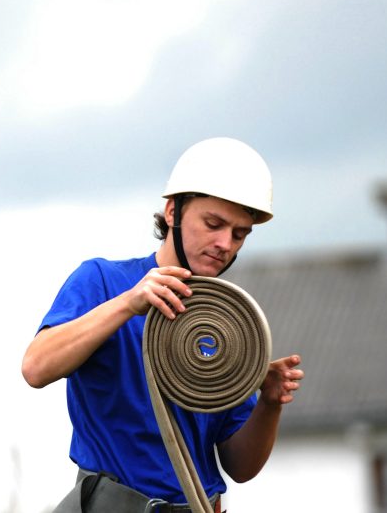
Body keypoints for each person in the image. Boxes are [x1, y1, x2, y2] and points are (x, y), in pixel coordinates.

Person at [22, 137, 304, 512]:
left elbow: (241, 467)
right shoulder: (103, 281)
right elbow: (36, 368)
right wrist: (129, 303)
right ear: (172, 211)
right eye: (213, 223)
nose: (225, 243)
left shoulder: (227, 325)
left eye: (239, 234)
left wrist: (269, 404)